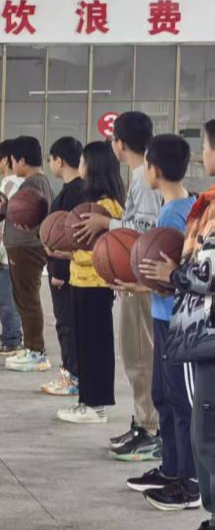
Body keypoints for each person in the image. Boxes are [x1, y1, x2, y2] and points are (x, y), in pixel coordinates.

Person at [145, 119, 215, 530]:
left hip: (207, 334)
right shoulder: (206, 204)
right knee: (204, 431)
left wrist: (173, 275)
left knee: (207, 432)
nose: (203, 154)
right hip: (200, 331)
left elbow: (207, 271)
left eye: (206, 146)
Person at [76, 111, 163, 460]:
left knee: (140, 357)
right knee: (135, 356)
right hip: (135, 277)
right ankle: (143, 422)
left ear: (120, 144)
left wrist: (106, 223)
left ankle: (151, 429)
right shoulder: (141, 176)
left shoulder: (144, 178)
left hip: (141, 279)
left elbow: (142, 230)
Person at [130, 135, 197, 507]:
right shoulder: (184, 206)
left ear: (153, 170)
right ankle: (171, 468)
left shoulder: (172, 216)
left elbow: (172, 275)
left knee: (178, 401)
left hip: (175, 321)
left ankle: (187, 481)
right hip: (163, 315)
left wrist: (137, 282)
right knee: (163, 396)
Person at [56, 141, 124, 425]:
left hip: (95, 287)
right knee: (86, 345)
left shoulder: (105, 207)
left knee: (95, 346)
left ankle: (96, 406)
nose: (80, 166)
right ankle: (87, 401)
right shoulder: (96, 205)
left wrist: (69, 251)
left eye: (83, 161)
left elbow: (102, 252)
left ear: (93, 166)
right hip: (82, 283)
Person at [0, 136, 55, 372]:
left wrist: (6, 209)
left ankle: (36, 352)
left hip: (26, 249)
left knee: (27, 299)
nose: (12, 165)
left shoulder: (32, 184)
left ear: (21, 160)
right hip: (26, 248)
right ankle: (32, 347)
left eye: (13, 160)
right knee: (25, 299)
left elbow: (29, 214)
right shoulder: (40, 182)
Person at [42, 137, 87, 397]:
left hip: (66, 271)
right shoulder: (75, 189)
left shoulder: (74, 193)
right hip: (67, 269)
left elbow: (68, 236)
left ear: (59, 161)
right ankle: (71, 372)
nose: (50, 164)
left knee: (67, 324)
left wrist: (59, 271)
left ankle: (72, 376)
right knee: (68, 324)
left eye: (51, 159)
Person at [0, 140, 24, 356]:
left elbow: (2, 223)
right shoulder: (21, 184)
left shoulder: (9, 186)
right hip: (16, 252)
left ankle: (12, 341)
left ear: (5, 160)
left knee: (7, 301)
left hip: (5, 255)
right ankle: (13, 339)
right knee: (15, 300)